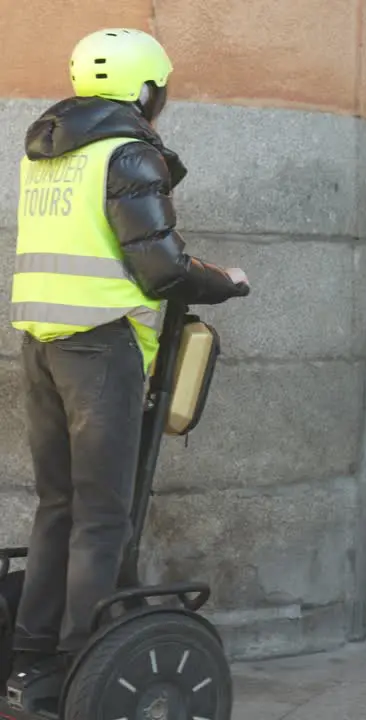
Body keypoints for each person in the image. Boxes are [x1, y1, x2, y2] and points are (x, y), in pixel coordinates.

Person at [8, 28, 250, 690]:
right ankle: (83, 662)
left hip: (41, 342)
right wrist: (226, 280)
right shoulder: (126, 153)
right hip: (100, 350)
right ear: (146, 89)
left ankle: (31, 654)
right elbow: (161, 269)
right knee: (105, 513)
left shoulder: (47, 151)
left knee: (58, 503)